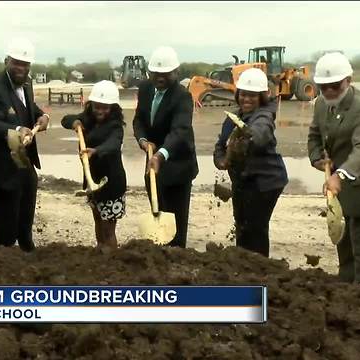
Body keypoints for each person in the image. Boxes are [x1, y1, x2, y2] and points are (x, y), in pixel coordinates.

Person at [307, 52, 360, 287]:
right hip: (341, 191)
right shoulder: (322, 104)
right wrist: (317, 160)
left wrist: (340, 175)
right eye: (324, 87)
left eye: (335, 86)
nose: (330, 91)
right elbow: (314, 135)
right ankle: (345, 292)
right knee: (345, 247)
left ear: (348, 81)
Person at [0, 37, 50, 252]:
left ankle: (27, 249)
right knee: (5, 228)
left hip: (25, 163)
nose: (21, 68)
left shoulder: (26, 83)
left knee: (25, 217)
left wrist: (42, 116)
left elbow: (30, 108)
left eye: (25, 64)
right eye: (17, 63)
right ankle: (6, 264)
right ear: (7, 61)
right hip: (4, 168)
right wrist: (18, 130)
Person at [213, 68, 288, 257]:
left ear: (262, 97)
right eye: (244, 95)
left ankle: (259, 270)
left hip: (265, 182)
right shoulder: (233, 118)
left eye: (253, 96)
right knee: (242, 226)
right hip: (244, 181)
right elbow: (220, 144)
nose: (247, 99)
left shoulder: (263, 116)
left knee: (255, 229)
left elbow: (260, 133)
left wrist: (248, 138)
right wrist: (222, 160)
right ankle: (243, 265)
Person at [132, 46, 198, 248]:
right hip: (153, 166)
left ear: (176, 73)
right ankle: (159, 257)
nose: (160, 78)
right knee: (157, 210)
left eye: (166, 74)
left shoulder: (182, 97)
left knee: (176, 222)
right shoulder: (145, 89)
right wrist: (143, 140)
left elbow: (179, 131)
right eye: (156, 73)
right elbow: (139, 120)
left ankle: (177, 258)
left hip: (177, 165)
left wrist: (160, 155)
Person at [61, 80, 127, 248]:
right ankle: (100, 250)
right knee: (97, 219)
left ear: (113, 108)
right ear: (91, 105)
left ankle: (110, 257)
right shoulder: (87, 119)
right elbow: (65, 119)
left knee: (108, 229)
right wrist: (75, 123)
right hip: (93, 181)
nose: (100, 111)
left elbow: (114, 144)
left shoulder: (115, 126)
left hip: (111, 183)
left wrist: (96, 151)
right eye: (97, 106)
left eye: (105, 107)